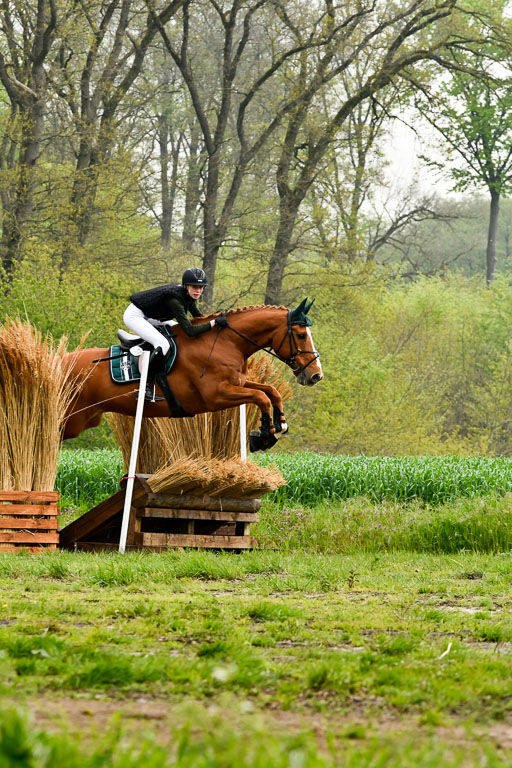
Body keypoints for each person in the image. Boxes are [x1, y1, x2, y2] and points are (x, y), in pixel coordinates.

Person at [123, 267, 227, 399]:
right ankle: (144, 388)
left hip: (151, 316)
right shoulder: (175, 300)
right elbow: (190, 330)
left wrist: (217, 319)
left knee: (176, 328)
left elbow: (199, 318)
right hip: (135, 316)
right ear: (186, 286)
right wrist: (214, 323)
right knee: (163, 344)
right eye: (195, 286)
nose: (198, 290)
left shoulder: (188, 296)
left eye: (201, 287)